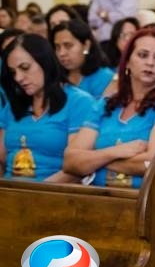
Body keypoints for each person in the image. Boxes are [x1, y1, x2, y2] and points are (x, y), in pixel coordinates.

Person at [63, 27, 155, 188]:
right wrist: (115, 152)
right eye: (143, 55)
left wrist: (93, 160)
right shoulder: (105, 104)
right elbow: (70, 161)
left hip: (144, 202)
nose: (150, 62)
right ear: (127, 61)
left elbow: (153, 162)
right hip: (97, 199)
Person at [0, 34, 95, 181]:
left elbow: (76, 168)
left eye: (25, 68)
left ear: (46, 63)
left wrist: (38, 194)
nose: (18, 78)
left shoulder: (80, 102)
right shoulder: (13, 105)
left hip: (52, 195)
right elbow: (2, 160)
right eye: (13, 72)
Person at [51, 19, 116, 98]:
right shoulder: (55, 79)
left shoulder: (105, 78)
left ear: (86, 45)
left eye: (68, 45)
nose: (61, 53)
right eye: (57, 47)